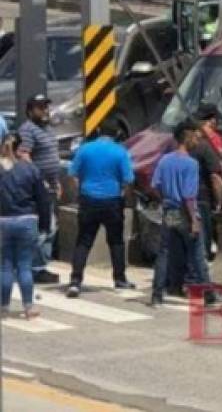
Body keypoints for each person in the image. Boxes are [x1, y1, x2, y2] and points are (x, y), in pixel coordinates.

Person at [65, 118, 136, 298]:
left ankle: (75, 280)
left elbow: (72, 175)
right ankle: (119, 279)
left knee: (84, 241)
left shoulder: (85, 149)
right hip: (112, 201)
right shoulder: (120, 152)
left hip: (88, 199)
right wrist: (124, 198)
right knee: (116, 241)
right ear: (117, 134)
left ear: (98, 130)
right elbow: (128, 180)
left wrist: (79, 193)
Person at [149, 121, 216, 306]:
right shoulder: (191, 164)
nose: (197, 139)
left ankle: (157, 294)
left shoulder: (164, 160)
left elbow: (155, 185)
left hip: (170, 210)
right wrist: (194, 219)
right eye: (195, 136)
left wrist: (165, 199)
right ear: (187, 137)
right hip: (186, 212)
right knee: (197, 254)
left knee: (164, 253)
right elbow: (189, 196)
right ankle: (208, 293)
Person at [1, 134, 51, 319]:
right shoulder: (30, 169)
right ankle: (28, 307)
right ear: (20, 148)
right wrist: (45, 224)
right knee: (24, 265)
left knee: (5, 266)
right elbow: (43, 199)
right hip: (27, 220)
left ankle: (3, 307)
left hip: (4, 221)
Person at [17, 94, 61, 284]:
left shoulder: (48, 129)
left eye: (46, 107)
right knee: (45, 228)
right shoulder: (28, 130)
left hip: (49, 186)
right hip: (37, 188)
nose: (45, 111)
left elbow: (51, 157)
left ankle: (39, 265)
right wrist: (38, 181)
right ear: (30, 110)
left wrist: (56, 182)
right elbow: (23, 155)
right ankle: (35, 268)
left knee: (50, 228)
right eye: (40, 107)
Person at [192, 106, 222, 261]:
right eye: (209, 124)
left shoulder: (179, 146)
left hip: (181, 199)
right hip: (202, 198)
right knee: (204, 236)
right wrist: (220, 201)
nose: (212, 127)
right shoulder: (205, 146)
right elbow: (215, 177)